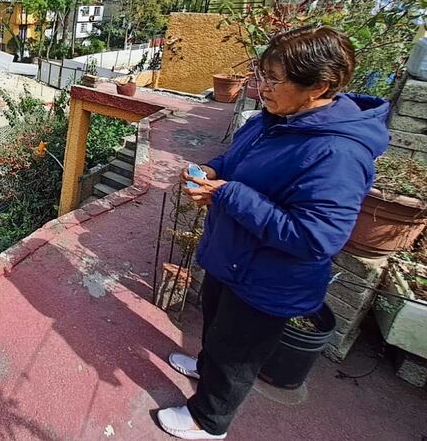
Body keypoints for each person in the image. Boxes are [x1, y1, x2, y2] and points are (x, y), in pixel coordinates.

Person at [156, 25, 390, 440]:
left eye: (274, 80)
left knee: (237, 356)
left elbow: (317, 237)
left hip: (269, 281)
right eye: (262, 74)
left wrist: (228, 195)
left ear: (319, 86)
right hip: (233, 258)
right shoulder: (276, 118)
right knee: (217, 330)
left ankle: (208, 421)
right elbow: (240, 161)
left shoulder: (338, 152)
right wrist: (215, 171)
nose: (262, 87)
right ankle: (206, 368)